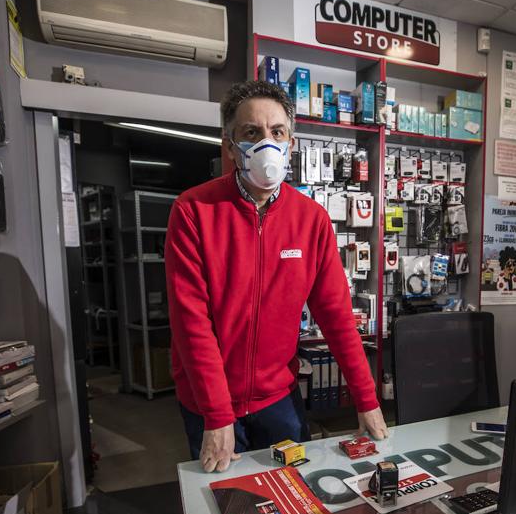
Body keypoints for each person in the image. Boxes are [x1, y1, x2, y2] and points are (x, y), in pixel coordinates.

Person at [165, 80, 388, 474]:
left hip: (279, 400)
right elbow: (191, 325)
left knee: (293, 504)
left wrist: (366, 399)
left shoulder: (311, 220)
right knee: (226, 513)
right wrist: (218, 416)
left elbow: (337, 316)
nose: (266, 142)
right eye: (251, 132)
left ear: (291, 143)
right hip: (208, 406)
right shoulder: (193, 211)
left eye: (277, 132)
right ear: (231, 145)